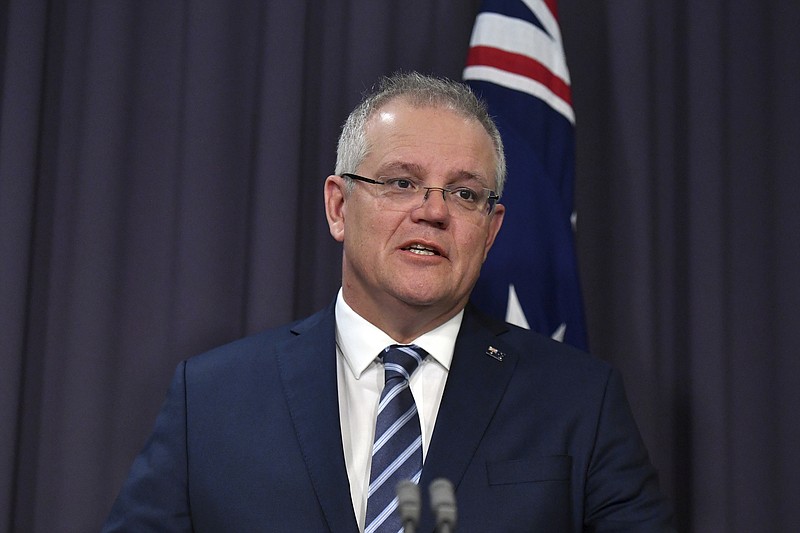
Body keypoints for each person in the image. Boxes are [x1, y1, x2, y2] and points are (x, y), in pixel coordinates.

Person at [103, 72, 673, 532]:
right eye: (401, 183)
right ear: (338, 207)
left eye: (464, 193)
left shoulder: (579, 400)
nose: (432, 210)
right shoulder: (210, 399)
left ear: (491, 229)